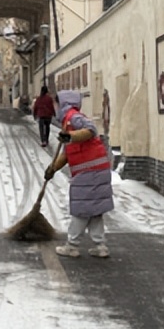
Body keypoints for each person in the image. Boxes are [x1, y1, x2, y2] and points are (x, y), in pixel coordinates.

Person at [44, 89, 114, 258]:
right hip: (97, 169)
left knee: (81, 210)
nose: (54, 107)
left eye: (56, 104)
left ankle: (72, 245)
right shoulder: (67, 123)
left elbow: (90, 129)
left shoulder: (73, 117)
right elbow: (67, 154)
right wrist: (53, 168)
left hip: (90, 172)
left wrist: (70, 136)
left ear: (63, 104)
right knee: (94, 210)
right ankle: (100, 246)